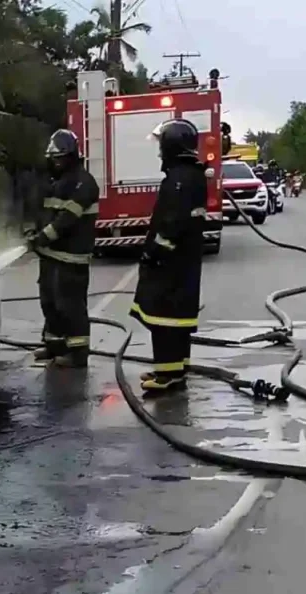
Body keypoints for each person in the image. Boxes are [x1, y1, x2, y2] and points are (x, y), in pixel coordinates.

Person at [132, 118, 207, 392]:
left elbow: (173, 224)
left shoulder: (179, 180)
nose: (160, 151)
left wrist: (154, 253)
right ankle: (175, 368)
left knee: (164, 319)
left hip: (172, 265)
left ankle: (168, 375)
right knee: (176, 321)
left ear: (172, 146)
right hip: (183, 264)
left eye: (162, 145)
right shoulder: (190, 175)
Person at [25, 129, 100, 368]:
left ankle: (77, 354)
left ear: (71, 156)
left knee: (71, 307)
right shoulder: (54, 182)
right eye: (53, 158)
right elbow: (41, 211)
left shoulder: (84, 184)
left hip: (72, 258)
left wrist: (43, 237)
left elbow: (67, 219)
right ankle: (54, 346)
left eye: (60, 158)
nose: (56, 162)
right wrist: (30, 230)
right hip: (49, 257)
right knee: (49, 303)